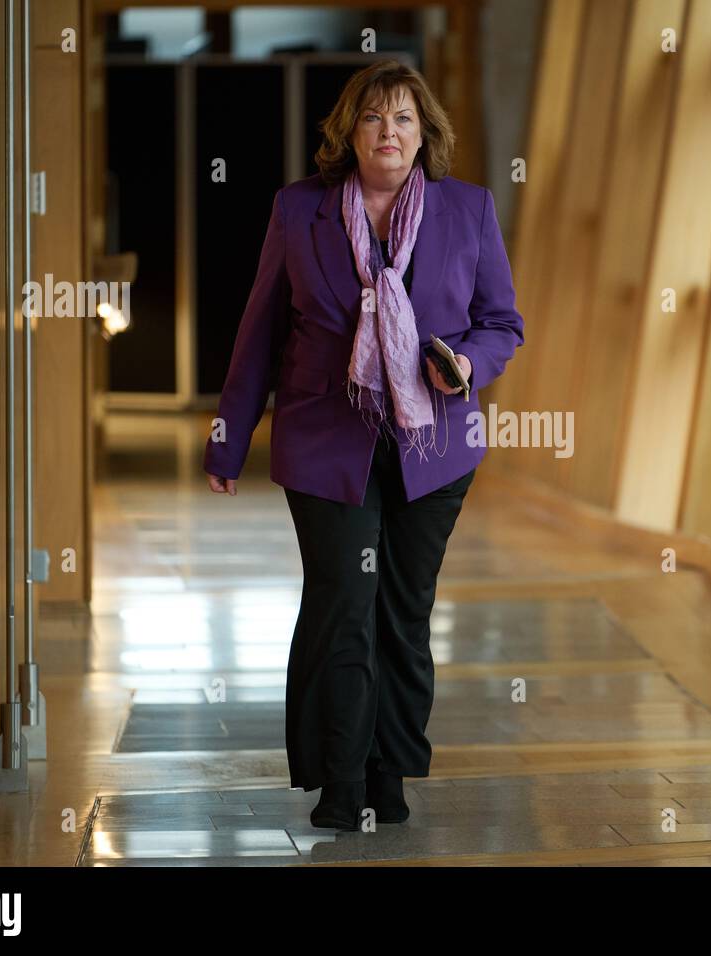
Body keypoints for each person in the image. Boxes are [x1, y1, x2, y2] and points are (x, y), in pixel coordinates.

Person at [202, 59, 524, 830]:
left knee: (404, 611)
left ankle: (390, 769)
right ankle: (339, 777)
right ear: (349, 130)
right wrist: (227, 440)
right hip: (326, 440)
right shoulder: (299, 209)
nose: (389, 131)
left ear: (425, 135)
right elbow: (260, 333)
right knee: (344, 602)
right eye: (374, 117)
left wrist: (466, 365)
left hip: (432, 446)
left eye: (405, 118)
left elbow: (501, 323)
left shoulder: (468, 210)